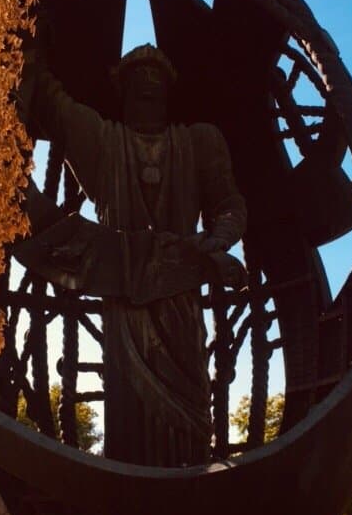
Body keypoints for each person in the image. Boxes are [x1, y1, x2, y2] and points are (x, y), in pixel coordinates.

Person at [16, 43, 246, 467]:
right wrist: (31, 44)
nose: (148, 87)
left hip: (181, 292)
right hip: (122, 294)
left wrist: (218, 241)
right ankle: (135, 486)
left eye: (156, 82)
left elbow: (230, 203)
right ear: (122, 92)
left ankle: (188, 487)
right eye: (138, 81)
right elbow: (53, 104)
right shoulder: (102, 140)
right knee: (130, 397)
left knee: (190, 399)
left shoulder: (200, 142)